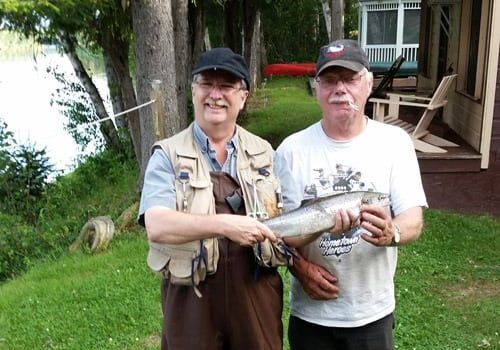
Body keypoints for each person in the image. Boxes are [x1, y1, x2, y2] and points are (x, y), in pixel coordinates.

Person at [138, 47, 300, 350]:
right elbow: (156, 224)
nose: (215, 94)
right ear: (193, 91)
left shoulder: (267, 154)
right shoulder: (167, 155)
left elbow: (294, 227)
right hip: (190, 299)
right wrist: (226, 225)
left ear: (243, 95)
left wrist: (329, 223)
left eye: (226, 85)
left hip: (256, 291)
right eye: (206, 84)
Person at [275, 39, 428, 350]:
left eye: (350, 78)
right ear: (315, 88)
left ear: (368, 84)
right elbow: (278, 232)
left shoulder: (395, 143)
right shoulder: (290, 150)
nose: (340, 89)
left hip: (371, 314)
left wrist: (392, 232)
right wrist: (299, 268)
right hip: (311, 314)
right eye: (329, 80)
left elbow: (413, 217)